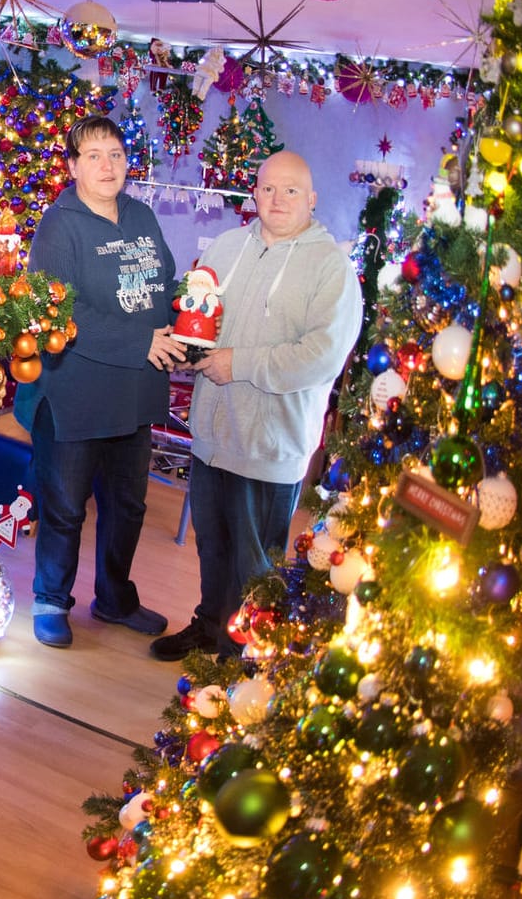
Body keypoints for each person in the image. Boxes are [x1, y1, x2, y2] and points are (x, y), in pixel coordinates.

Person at [149, 151, 363, 662]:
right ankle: (208, 626)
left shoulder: (331, 268)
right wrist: (185, 343)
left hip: (270, 444)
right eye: (267, 189)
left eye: (291, 190)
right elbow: (200, 318)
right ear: (254, 194)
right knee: (212, 546)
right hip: (211, 433)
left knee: (256, 563)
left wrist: (238, 363)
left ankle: (243, 657)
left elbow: (320, 357)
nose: (277, 199)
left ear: (312, 199)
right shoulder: (227, 246)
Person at [15, 115, 183, 648]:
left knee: (128, 506)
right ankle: (50, 600)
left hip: (133, 392)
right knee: (65, 506)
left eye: (114, 153)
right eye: (93, 156)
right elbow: (63, 309)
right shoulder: (59, 225)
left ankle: (113, 599)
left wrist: (192, 308)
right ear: (72, 167)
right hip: (73, 394)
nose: (107, 165)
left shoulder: (141, 215)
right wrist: (141, 343)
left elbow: (162, 281)